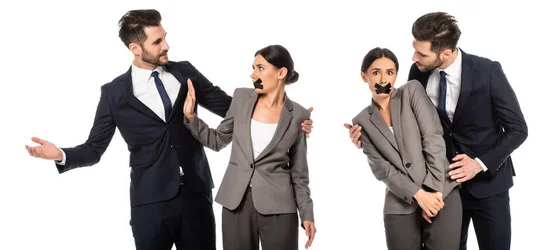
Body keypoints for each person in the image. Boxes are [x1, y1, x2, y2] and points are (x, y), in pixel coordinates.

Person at [23, 9, 313, 250]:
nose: (166, 46)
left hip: (196, 198)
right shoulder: (114, 93)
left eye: (165, 38)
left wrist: (289, 119)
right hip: (150, 203)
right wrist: (60, 153)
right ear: (134, 48)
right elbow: (94, 149)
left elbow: (236, 109)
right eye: (157, 41)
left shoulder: (184, 71)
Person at [346, 12, 528, 250]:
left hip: (488, 186)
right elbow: (408, 126)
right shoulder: (418, 73)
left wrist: (479, 163)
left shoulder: (488, 71)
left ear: (446, 53)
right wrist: (368, 136)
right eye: (414, 49)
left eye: (422, 53)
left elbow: (518, 129)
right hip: (444, 187)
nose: (414, 57)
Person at [183, 44, 316, 250]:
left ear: (281, 73)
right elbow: (218, 140)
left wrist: (307, 214)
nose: (253, 74)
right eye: (253, 68)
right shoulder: (241, 98)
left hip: (279, 206)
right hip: (236, 201)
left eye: (260, 68)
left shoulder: (299, 115)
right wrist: (191, 117)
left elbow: (299, 173)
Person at [348, 47, 461, 249]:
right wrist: (419, 195)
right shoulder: (361, 121)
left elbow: (433, 138)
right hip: (400, 203)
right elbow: (382, 169)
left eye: (389, 72)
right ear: (364, 76)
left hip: (441, 192)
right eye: (376, 72)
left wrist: (432, 194)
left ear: (396, 75)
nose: (383, 79)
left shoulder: (412, 91)